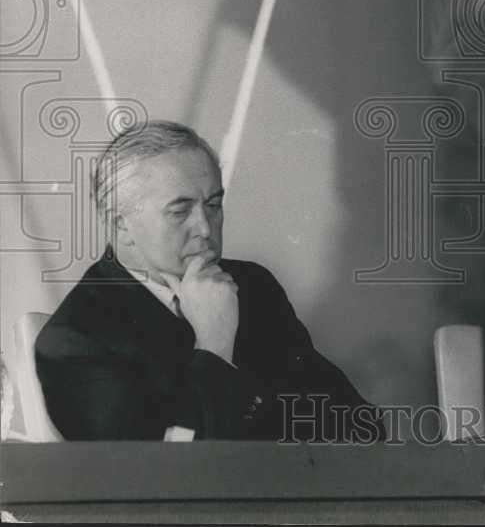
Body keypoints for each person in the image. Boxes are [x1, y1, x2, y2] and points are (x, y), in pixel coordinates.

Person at [35, 120, 382, 442]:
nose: (205, 228)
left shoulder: (252, 284)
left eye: (213, 205)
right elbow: (165, 478)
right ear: (121, 224)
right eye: (179, 211)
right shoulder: (74, 340)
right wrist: (215, 343)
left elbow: (357, 423)